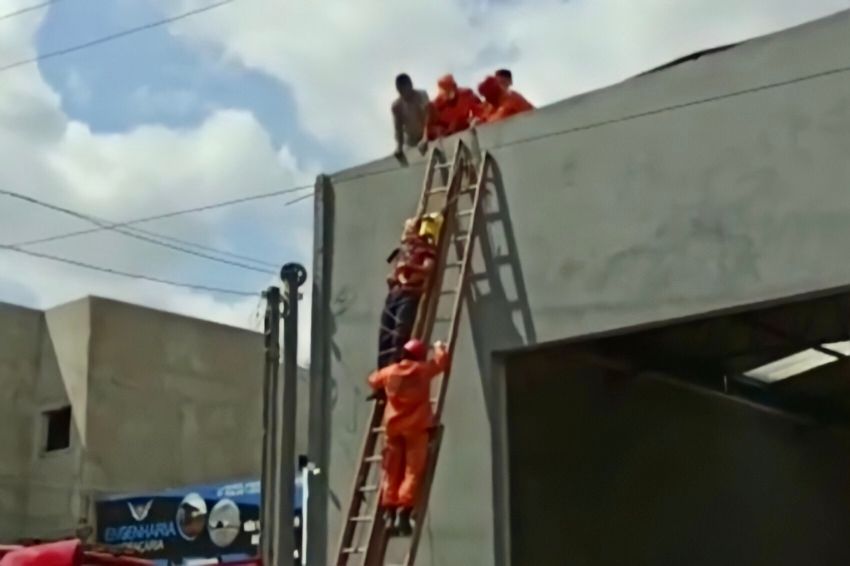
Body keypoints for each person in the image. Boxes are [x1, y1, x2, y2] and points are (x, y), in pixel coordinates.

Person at [368, 339, 450, 536]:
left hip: (393, 427)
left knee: (390, 470)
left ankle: (389, 512)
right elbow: (442, 362)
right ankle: (404, 513)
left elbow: (372, 380)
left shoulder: (391, 372)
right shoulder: (422, 370)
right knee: (412, 471)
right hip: (416, 427)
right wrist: (438, 346)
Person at [378, 217, 438, 368]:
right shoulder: (399, 251)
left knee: (399, 333)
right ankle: (383, 373)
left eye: (409, 228)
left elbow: (428, 269)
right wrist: (391, 278)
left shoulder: (425, 249)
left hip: (409, 293)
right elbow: (390, 266)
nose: (405, 231)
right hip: (394, 294)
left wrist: (409, 267)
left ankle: (397, 369)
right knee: (385, 333)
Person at [428, 74, 483, 139]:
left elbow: (481, 111)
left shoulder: (467, 94)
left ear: (455, 86)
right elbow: (428, 128)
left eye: (450, 89)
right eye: (445, 91)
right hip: (447, 137)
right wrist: (436, 130)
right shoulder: (435, 105)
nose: (448, 94)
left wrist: (476, 119)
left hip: (468, 131)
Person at [392, 74, 431, 158]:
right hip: (410, 140)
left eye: (404, 90)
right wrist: (399, 147)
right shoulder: (397, 106)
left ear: (410, 85)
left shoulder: (421, 95)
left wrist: (425, 138)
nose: (403, 94)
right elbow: (398, 128)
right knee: (407, 158)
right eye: (400, 91)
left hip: (427, 133)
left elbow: (428, 117)